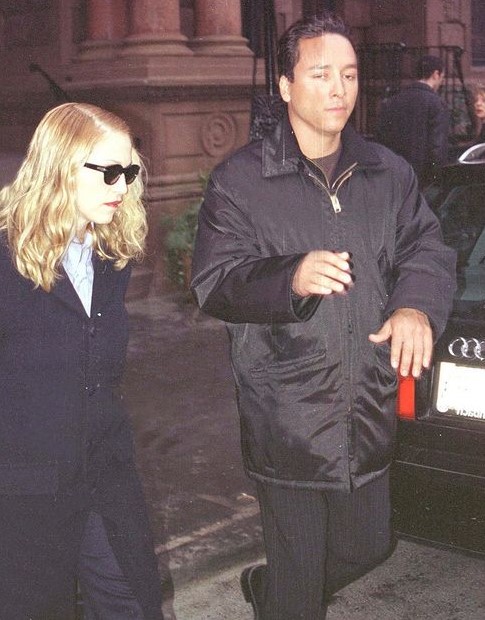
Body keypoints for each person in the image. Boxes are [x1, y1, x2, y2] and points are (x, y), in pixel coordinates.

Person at [191, 12, 456, 620]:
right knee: (300, 591)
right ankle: (284, 594)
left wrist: (415, 304)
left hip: (368, 403)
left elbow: (426, 248)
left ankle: (270, 587)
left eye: (349, 74)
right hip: (287, 413)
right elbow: (214, 281)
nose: (339, 89)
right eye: (321, 75)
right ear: (286, 86)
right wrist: (289, 277)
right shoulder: (241, 181)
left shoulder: (387, 172)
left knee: (369, 543)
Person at [0, 102, 170, 619]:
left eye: (130, 173)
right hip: (25, 489)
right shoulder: (5, 256)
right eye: (109, 172)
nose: (122, 187)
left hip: (103, 474)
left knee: (132, 602)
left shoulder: (108, 254)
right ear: (60, 167)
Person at [376, 54, 450, 186]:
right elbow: (437, 149)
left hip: (394, 177)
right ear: (436, 74)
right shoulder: (436, 104)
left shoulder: (392, 102)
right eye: (442, 77)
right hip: (423, 182)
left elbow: (381, 141)